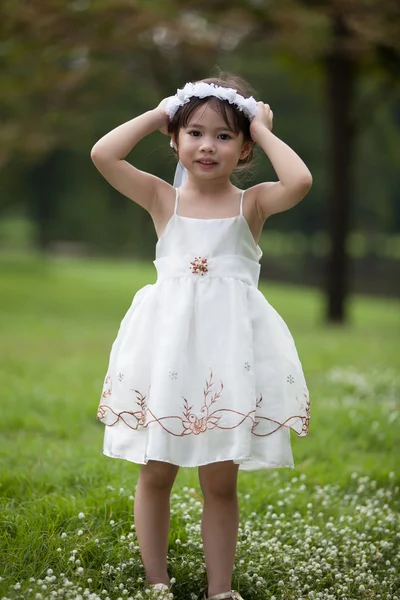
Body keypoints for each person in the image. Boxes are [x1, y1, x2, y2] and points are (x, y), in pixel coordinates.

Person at [91, 74, 312, 600]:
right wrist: (158, 113)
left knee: (220, 481)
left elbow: (300, 181)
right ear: (175, 138)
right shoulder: (161, 197)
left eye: (224, 135)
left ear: (244, 148)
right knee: (156, 472)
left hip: (225, 362)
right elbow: (104, 154)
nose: (207, 145)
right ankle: (157, 582)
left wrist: (261, 123)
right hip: (166, 355)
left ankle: (220, 589)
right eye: (194, 132)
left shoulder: (251, 204)